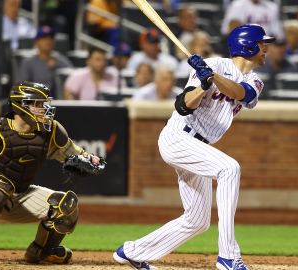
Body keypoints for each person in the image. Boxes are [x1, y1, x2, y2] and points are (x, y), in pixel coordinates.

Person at [113, 24, 275, 270]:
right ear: (248, 45)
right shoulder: (215, 64)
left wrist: (213, 78)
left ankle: (133, 251)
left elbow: (243, 94)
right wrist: (204, 85)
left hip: (200, 146)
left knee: (197, 221)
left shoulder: (254, 79)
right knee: (229, 169)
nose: (266, 49)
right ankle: (228, 256)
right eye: (263, 44)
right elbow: (183, 105)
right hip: (178, 138)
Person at [0, 81, 104, 265]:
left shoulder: (51, 130)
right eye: (37, 104)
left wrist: (90, 159)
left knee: (67, 205)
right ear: (20, 106)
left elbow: (75, 153)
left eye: (44, 104)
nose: (43, 109)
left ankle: (41, 252)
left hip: (21, 193)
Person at [18, 25, 73, 99]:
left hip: (58, 103)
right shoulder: (28, 62)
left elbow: (72, 81)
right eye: (44, 38)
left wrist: (55, 69)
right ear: (36, 42)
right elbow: (23, 88)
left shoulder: (61, 61)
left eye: (50, 38)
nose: (48, 41)